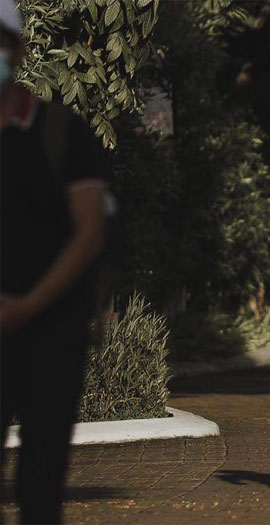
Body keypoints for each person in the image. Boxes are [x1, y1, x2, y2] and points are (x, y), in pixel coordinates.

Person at [0, 0, 110, 521]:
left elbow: (89, 231)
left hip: (50, 336)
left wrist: (26, 306)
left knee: (40, 486)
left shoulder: (63, 133)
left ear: (19, 51)